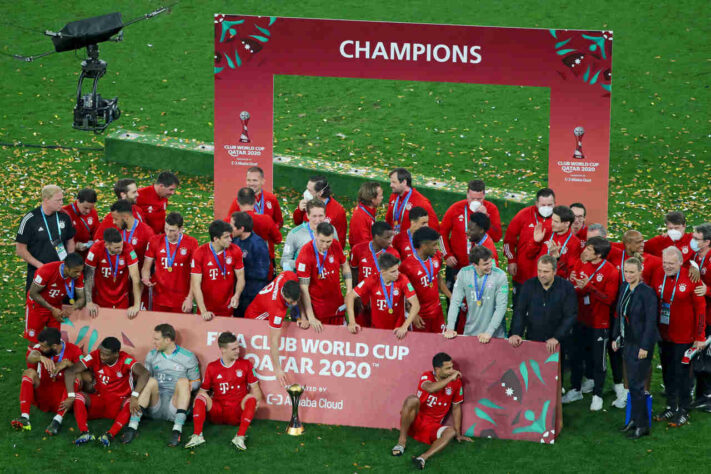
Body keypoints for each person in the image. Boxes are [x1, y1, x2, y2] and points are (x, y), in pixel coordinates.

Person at [563, 237, 620, 411]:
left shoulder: (611, 272)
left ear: (599, 254)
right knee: (576, 356)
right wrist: (570, 281)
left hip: (599, 323)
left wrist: (590, 287)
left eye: (589, 249)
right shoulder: (580, 264)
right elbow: (575, 290)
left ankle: (597, 395)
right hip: (580, 320)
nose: (584, 251)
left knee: (598, 361)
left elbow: (609, 299)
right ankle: (575, 389)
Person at [62, 336, 151, 447]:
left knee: (130, 403)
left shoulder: (125, 359)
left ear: (116, 354)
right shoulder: (95, 356)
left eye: (106, 354)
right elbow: (71, 371)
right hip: (100, 400)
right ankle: (84, 433)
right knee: (79, 396)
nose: (102, 357)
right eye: (101, 353)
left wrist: (134, 396)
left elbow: (145, 373)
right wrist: (70, 396)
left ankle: (109, 435)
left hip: (118, 404)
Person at [652, 246, 706, 427]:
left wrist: (700, 336)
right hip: (664, 334)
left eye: (671, 263)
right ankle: (671, 405)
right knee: (667, 371)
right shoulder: (658, 273)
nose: (667, 266)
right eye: (665, 262)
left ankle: (684, 409)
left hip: (684, 337)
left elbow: (700, 309)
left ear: (680, 262)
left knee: (682, 373)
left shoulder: (692, 277)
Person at [391, 352, 471, 470]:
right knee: (412, 400)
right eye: (448, 368)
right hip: (415, 421)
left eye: (452, 367)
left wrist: (458, 434)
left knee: (451, 432)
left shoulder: (456, 383)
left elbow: (456, 407)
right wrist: (450, 378)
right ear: (437, 370)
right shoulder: (427, 376)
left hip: (431, 428)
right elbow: (431, 388)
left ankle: (423, 457)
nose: (452, 370)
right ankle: (401, 442)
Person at [185, 332, 263, 451]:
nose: (238, 351)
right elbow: (203, 391)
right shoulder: (212, 367)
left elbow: (256, 389)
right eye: (234, 349)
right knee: (200, 396)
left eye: (238, 347)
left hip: (238, 411)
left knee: (251, 398)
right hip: (218, 411)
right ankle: (197, 435)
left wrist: (255, 402)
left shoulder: (246, 364)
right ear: (223, 350)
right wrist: (198, 402)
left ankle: (240, 437)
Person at [611, 257, 659, 439]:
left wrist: (645, 346)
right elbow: (619, 315)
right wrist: (616, 337)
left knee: (638, 385)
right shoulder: (624, 288)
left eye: (632, 272)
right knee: (631, 384)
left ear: (640, 271)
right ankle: (633, 419)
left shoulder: (647, 293)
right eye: (626, 271)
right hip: (627, 342)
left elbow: (650, 321)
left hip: (640, 345)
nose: (628, 275)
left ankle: (642, 425)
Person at [11, 327, 83, 435]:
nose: (41, 349)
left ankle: (57, 421)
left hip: (62, 398)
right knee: (29, 372)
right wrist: (41, 358)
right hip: (43, 393)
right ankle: (24, 417)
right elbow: (30, 357)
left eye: (44, 347)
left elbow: (83, 374)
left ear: (54, 346)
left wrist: (69, 364)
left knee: (76, 377)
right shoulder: (40, 349)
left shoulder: (73, 350)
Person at [138, 324, 201, 447]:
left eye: (156, 339)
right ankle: (132, 427)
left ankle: (177, 430)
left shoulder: (188, 356)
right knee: (150, 380)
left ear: (167, 340)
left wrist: (187, 387)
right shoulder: (151, 355)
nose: (153, 342)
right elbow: (145, 379)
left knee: (183, 381)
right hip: (155, 404)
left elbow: (196, 381)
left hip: (175, 405)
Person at [245, 272, 305, 386]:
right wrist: (278, 369)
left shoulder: (289, 275)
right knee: (265, 343)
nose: (295, 303)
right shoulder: (277, 310)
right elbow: (274, 342)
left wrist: (302, 316)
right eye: (291, 302)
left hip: (262, 305)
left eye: (296, 300)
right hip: (255, 319)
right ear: (284, 295)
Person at [509, 255, 577, 354]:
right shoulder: (528, 285)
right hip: (534, 337)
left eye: (546, 272)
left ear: (554, 271)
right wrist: (516, 333)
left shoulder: (566, 288)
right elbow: (520, 311)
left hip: (558, 341)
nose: (541, 275)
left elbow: (570, 315)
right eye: (539, 271)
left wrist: (556, 337)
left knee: (555, 369)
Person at [503, 188, 555, 310]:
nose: (546, 208)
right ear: (536, 203)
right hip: (523, 274)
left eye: (550, 205)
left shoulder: (558, 219)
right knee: (519, 310)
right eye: (543, 205)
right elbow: (508, 240)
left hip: (547, 277)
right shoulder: (523, 215)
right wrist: (511, 260)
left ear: (555, 204)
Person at [16, 185, 76, 291]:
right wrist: (41, 267)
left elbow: (70, 241)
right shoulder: (30, 219)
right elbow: (20, 250)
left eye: (62, 199)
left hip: (61, 271)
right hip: (39, 272)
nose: (61, 203)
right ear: (46, 200)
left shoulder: (64, 217)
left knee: (63, 305)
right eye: (58, 200)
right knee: (38, 305)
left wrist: (69, 262)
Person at [347, 252, 420, 337]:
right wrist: (352, 321)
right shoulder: (372, 280)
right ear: (382, 271)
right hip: (377, 331)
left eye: (397, 269)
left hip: (398, 331)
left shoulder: (403, 279)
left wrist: (404, 327)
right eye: (393, 271)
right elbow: (350, 296)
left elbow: (416, 305)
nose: (397, 273)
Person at [444, 246, 508, 341]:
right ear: (475, 265)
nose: (490, 266)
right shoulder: (464, 273)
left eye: (490, 262)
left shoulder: (500, 276)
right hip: (471, 331)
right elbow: (455, 302)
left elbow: (501, 307)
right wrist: (450, 328)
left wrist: (489, 332)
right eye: (486, 264)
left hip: (495, 334)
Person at [296, 222, 352, 330]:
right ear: (315, 234)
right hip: (318, 311)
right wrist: (310, 317)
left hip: (337, 307)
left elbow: (345, 266)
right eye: (322, 241)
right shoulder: (305, 254)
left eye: (328, 241)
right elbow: (303, 288)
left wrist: (349, 290)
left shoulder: (335, 245)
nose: (325, 245)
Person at [142, 212, 198, 313]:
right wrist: (146, 278)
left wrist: (190, 298)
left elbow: (195, 274)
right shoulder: (155, 241)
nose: (168, 233)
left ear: (181, 229)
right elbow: (146, 267)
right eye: (166, 229)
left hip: (181, 300)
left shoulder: (191, 243)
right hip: (159, 298)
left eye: (172, 230)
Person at [24, 253, 85, 343]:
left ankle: (50, 357)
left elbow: (82, 298)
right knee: (34, 341)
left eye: (80, 271)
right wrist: (51, 309)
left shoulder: (77, 276)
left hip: (56, 306)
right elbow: (33, 293)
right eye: (76, 271)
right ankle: (33, 355)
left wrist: (72, 308)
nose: (79, 274)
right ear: (66, 267)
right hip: (37, 306)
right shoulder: (46, 270)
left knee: (55, 340)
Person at [190, 220, 245, 319]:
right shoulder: (200, 253)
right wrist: (203, 311)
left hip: (227, 308)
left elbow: (241, 277)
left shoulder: (235, 250)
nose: (230, 239)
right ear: (216, 239)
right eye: (226, 237)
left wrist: (236, 295)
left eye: (230, 236)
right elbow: (195, 284)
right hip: (206, 309)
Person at [349, 221, 400, 326]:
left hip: (383, 300)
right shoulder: (358, 249)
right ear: (376, 237)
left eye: (391, 237)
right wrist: (356, 297)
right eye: (387, 238)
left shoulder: (393, 254)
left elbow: (396, 279)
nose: (390, 241)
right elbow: (354, 272)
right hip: (362, 299)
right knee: (361, 331)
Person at [400, 227, 449, 333]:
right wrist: (412, 313)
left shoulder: (437, 257)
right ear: (424, 246)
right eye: (434, 245)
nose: (437, 248)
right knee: (421, 347)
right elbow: (402, 292)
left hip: (437, 312)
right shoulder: (407, 266)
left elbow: (437, 277)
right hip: (420, 316)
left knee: (440, 343)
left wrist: (450, 296)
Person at [441, 182, 502, 266]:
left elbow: (497, 237)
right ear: (467, 195)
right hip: (457, 263)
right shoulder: (455, 208)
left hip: (480, 266)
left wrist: (486, 217)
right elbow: (442, 233)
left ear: (484, 196)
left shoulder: (491, 209)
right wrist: (447, 255)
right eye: (472, 198)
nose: (475, 201)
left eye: (479, 199)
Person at [84, 228, 141, 319]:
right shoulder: (95, 249)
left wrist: (136, 305)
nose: (121, 249)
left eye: (121, 245)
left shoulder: (128, 249)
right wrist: (89, 301)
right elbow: (88, 276)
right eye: (117, 247)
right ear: (106, 245)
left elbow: (136, 278)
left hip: (122, 300)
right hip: (100, 300)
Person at [231, 187, 282, 278]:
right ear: (255, 201)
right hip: (263, 264)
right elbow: (278, 239)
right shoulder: (266, 219)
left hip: (238, 265)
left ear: (237, 202)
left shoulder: (230, 221)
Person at [526, 205, 581, 279]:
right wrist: (535, 242)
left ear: (567, 223)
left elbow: (568, 272)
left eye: (556, 222)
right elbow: (529, 255)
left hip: (555, 285)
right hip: (537, 280)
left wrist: (557, 258)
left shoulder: (575, 243)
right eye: (552, 220)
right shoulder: (546, 231)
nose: (552, 224)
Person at [231, 212, 270, 317]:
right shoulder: (235, 241)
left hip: (252, 295)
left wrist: (241, 271)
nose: (230, 229)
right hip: (239, 293)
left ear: (242, 228)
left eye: (232, 226)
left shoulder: (258, 245)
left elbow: (262, 273)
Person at [94, 199, 155, 266]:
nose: (114, 222)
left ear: (126, 218)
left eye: (116, 219)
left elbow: (153, 258)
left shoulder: (146, 232)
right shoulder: (116, 230)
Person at [690, 223, 711, 409]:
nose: (693, 242)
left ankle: (709, 397)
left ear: (707, 242)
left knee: (708, 358)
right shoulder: (696, 257)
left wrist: (707, 290)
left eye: (696, 239)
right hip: (700, 314)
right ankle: (702, 394)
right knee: (700, 357)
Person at [281, 200, 334, 271]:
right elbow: (284, 262)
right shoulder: (295, 234)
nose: (318, 220)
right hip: (303, 278)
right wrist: (303, 263)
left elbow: (336, 253)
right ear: (307, 215)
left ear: (325, 215)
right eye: (314, 216)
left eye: (320, 216)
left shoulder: (331, 230)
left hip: (325, 277)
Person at [293, 176, 347, 240]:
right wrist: (299, 210)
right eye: (307, 189)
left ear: (320, 192)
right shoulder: (307, 202)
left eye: (310, 190)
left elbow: (340, 238)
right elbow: (297, 222)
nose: (306, 193)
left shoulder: (337, 211)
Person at [386, 168, 439, 234]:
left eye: (394, 182)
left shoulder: (421, 202)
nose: (391, 185)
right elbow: (388, 220)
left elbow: (434, 229)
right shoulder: (393, 197)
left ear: (404, 182)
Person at [62, 188, 99, 258]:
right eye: (85, 208)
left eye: (91, 208)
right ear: (78, 201)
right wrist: (75, 245)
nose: (88, 211)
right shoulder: (65, 213)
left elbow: (97, 232)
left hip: (89, 253)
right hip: (70, 256)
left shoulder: (93, 212)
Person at [348, 181, 384, 249]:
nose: (382, 197)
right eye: (380, 195)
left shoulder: (369, 210)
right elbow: (363, 245)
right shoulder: (360, 217)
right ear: (372, 199)